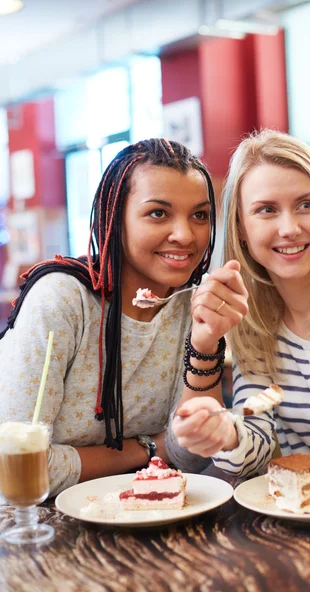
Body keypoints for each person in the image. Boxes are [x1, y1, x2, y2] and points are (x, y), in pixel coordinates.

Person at [0, 138, 249, 497]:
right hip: (36, 527)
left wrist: (205, 342)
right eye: (158, 213)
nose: (184, 234)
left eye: (200, 215)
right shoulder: (62, 300)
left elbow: (190, 455)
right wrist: (149, 448)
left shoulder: (190, 307)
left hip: (146, 518)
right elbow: (19, 466)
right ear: (115, 220)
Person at [174, 129, 310, 523]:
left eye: (305, 204)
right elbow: (257, 442)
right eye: (266, 210)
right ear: (241, 227)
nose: (289, 227)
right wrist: (226, 432)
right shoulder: (254, 327)